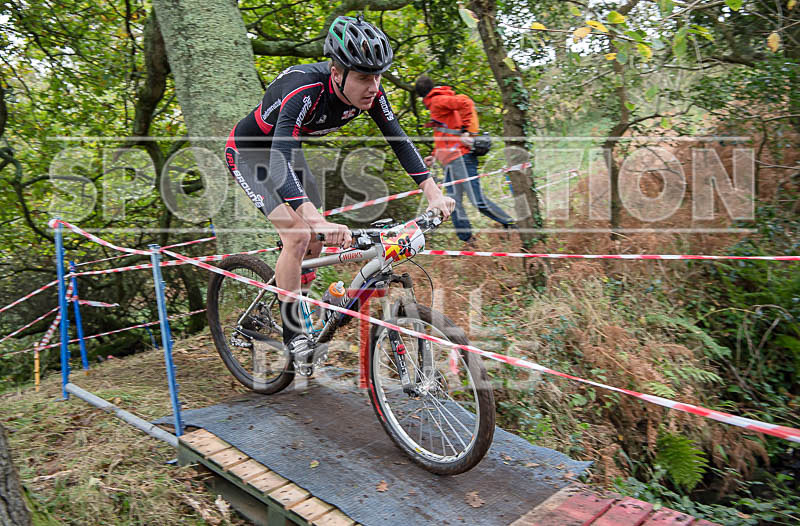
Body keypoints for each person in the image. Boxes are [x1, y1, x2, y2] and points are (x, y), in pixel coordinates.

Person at [224, 16, 455, 359]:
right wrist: (314, 220)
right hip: (250, 154)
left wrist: (434, 193)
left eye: (377, 76)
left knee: (313, 241)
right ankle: (293, 332)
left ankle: (296, 299)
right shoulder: (303, 89)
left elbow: (400, 142)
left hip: (287, 155)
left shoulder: (373, 94)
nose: (373, 86)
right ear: (336, 73)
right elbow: (275, 161)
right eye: (364, 77)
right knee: (299, 236)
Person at [414, 76, 515, 245]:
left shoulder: (437, 101)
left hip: (461, 157)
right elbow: (444, 135)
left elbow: (466, 103)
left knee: (477, 200)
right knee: (453, 204)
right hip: (451, 161)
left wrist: (469, 131)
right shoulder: (436, 104)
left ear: (421, 96)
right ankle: (469, 241)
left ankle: (510, 224)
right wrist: (435, 155)